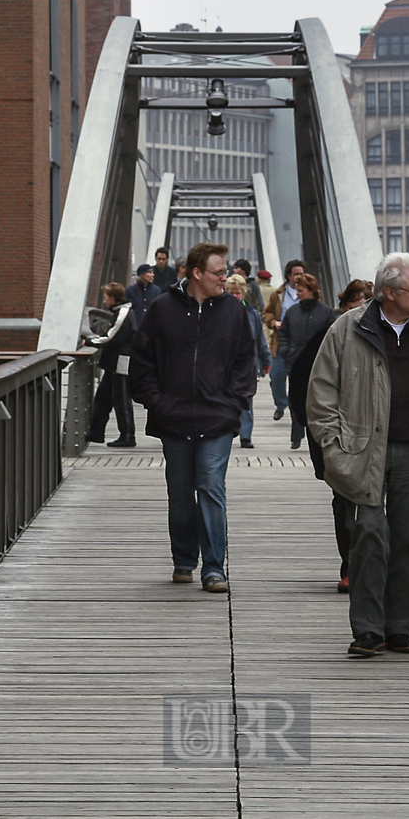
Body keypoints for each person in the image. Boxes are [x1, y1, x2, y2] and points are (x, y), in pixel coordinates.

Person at [307, 253, 409, 657]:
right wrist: (333, 449)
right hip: (361, 452)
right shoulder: (347, 328)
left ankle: (400, 626)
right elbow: (321, 393)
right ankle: (367, 629)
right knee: (368, 537)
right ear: (389, 293)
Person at [130, 242, 256, 594]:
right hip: (175, 420)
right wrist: (159, 403)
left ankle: (214, 569)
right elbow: (142, 362)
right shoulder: (162, 309)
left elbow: (244, 362)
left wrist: (234, 402)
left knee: (212, 488)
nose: (225, 277)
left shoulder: (233, 311)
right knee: (181, 494)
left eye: (226, 270)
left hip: (218, 418)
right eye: (219, 272)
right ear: (197, 273)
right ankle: (184, 560)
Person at [288, 279, 372, 594]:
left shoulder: (392, 338)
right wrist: (315, 428)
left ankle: (371, 564)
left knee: (374, 504)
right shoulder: (329, 337)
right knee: (345, 502)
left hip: (377, 434)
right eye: (352, 309)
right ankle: (351, 566)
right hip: (340, 435)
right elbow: (301, 381)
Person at [277, 273, 334, 451]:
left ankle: (312, 433)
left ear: (311, 291)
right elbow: (284, 333)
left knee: (315, 399)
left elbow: (331, 336)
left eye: (300, 290)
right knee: (295, 398)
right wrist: (286, 350)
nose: (297, 294)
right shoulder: (293, 312)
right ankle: (296, 434)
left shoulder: (325, 313)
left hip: (318, 363)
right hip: (294, 362)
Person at [84, 282, 137, 448]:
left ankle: (128, 436)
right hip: (114, 363)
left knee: (121, 400)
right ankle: (96, 432)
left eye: (106, 297)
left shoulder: (123, 313)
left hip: (120, 363)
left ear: (113, 298)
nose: (104, 301)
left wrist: (90, 341)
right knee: (103, 399)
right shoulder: (121, 311)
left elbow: (111, 337)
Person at [226, 273, 272, 449]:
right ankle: (228, 430)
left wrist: (266, 360)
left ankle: (246, 435)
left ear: (243, 293)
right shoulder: (219, 312)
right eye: (231, 293)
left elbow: (260, 339)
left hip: (247, 364)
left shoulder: (252, 314)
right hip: (226, 363)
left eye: (238, 293)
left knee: (247, 400)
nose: (235, 296)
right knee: (227, 399)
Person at [261, 258, 305, 421]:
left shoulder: (308, 293)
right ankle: (281, 403)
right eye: (296, 274)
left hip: (300, 345)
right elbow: (267, 313)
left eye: (302, 273)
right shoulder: (278, 294)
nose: (299, 277)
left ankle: (296, 409)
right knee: (277, 375)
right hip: (281, 342)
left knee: (298, 379)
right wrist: (274, 322)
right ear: (288, 275)